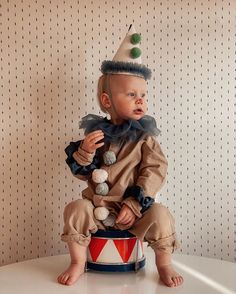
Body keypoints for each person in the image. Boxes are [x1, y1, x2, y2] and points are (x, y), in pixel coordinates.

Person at [57, 25, 183, 288]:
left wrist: (135, 204)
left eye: (143, 95)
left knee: (161, 215)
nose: (141, 101)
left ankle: (164, 263)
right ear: (107, 100)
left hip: (134, 209)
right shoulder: (97, 135)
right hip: (98, 207)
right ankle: (78, 261)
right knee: (75, 209)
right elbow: (82, 173)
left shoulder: (144, 138)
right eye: (131, 94)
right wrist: (86, 152)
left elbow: (155, 171)